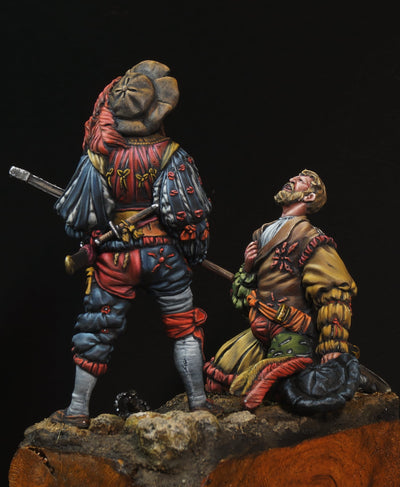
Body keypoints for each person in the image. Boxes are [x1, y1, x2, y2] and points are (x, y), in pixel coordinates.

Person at [50, 60, 216, 428]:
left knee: (96, 330)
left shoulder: (97, 158)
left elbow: (80, 220)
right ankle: (199, 403)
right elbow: (189, 217)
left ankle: (77, 410)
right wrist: (193, 254)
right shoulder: (172, 156)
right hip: (164, 257)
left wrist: (96, 240)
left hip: (115, 261)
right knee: (184, 326)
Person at [204, 169, 361, 412]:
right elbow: (243, 297)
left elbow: (334, 291)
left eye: (300, 181)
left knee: (278, 383)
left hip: (293, 332)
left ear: (309, 197)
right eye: (294, 177)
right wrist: (248, 268)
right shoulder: (263, 233)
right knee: (218, 376)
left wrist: (333, 346)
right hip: (260, 331)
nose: (292, 180)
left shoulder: (309, 237)